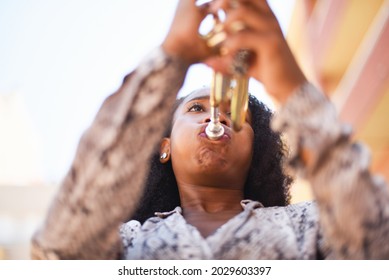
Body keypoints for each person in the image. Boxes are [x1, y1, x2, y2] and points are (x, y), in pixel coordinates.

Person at [31, 0, 389, 259]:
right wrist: (171, 57)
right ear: (164, 147)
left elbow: (379, 244)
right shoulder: (125, 242)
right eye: (196, 108)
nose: (212, 117)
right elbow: (56, 252)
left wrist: (291, 87)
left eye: (234, 112)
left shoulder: (309, 226)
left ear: (256, 148)